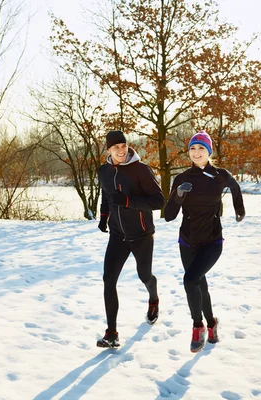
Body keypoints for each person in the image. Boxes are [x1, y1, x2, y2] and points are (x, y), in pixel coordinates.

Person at [164, 131, 245, 353]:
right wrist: (178, 195)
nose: (196, 152)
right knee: (200, 284)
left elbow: (235, 187)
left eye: (201, 148)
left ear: (209, 152)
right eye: (192, 148)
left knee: (190, 280)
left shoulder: (220, 175)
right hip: (187, 242)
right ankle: (212, 323)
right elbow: (169, 215)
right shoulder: (181, 179)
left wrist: (240, 209)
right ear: (188, 152)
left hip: (212, 242)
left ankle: (197, 326)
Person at [96, 130, 165, 348]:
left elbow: (158, 201)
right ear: (108, 150)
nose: (121, 150)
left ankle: (153, 299)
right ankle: (112, 333)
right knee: (109, 279)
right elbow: (107, 196)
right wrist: (104, 217)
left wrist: (127, 201)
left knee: (144, 275)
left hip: (142, 234)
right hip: (118, 235)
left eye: (123, 145)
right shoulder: (104, 171)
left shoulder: (141, 170)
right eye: (115, 147)